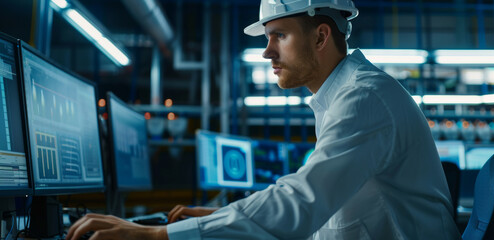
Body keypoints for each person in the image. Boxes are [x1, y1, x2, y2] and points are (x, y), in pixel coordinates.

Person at [67, 0, 461, 239]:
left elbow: (302, 203)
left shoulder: (364, 97)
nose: (266, 53)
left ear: (321, 36)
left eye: (280, 36)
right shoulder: (345, 97)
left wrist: (156, 235)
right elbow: (316, 213)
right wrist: (224, 220)